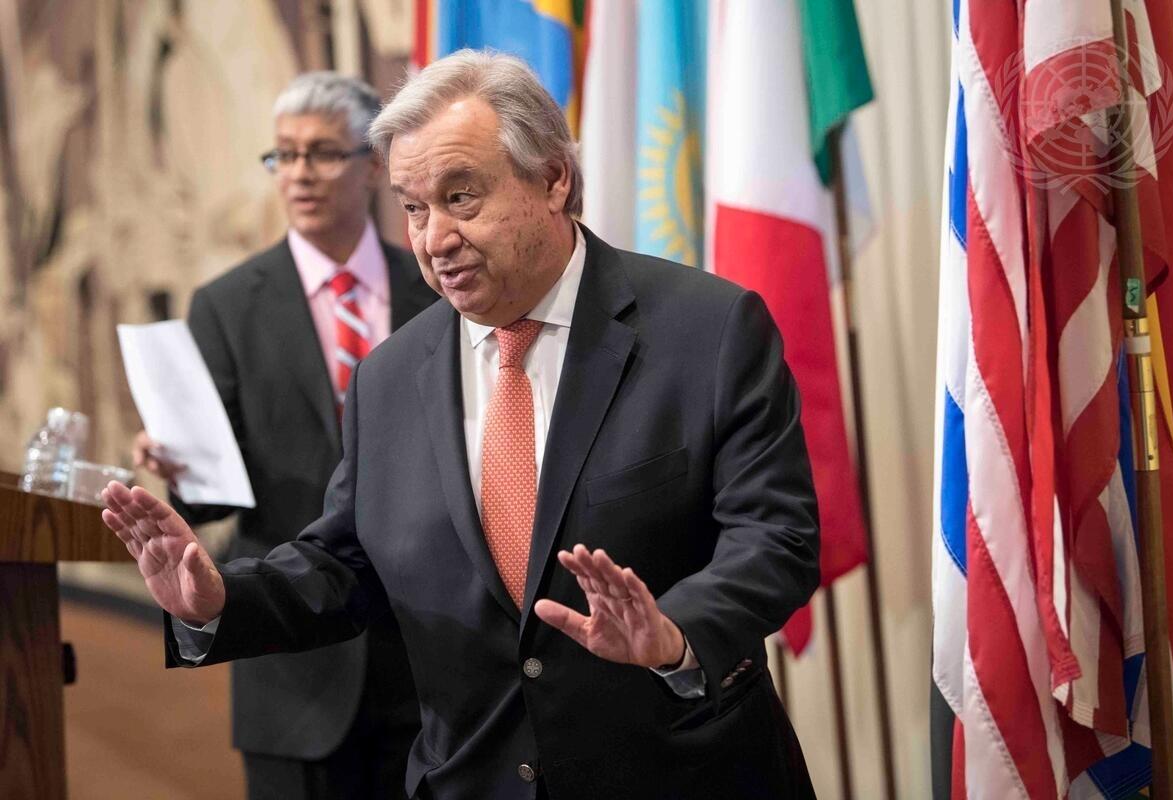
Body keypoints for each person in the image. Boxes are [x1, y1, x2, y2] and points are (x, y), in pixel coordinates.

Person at [107, 50, 820, 800]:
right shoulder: (387, 378)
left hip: (682, 774)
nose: (434, 238)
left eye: (461, 197)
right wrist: (219, 598)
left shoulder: (706, 329)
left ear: (553, 179)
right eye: (414, 208)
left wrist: (674, 634)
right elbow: (344, 563)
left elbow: (776, 536)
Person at [130, 72, 436, 799]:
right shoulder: (227, 305)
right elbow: (213, 498)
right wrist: (177, 467)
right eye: (284, 155)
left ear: (374, 165)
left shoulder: (437, 288)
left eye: (322, 153)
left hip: (428, 656)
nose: (299, 173)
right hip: (291, 665)